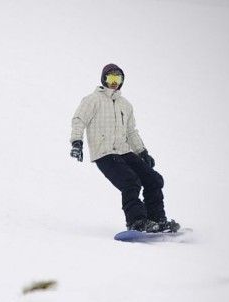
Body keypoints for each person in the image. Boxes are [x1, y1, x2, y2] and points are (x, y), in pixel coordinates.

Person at [69, 63, 180, 233]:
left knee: (153, 179)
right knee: (130, 181)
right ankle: (136, 222)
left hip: (125, 151)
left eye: (118, 78)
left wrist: (142, 152)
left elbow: (131, 132)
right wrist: (77, 142)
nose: (114, 82)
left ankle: (157, 219)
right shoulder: (92, 100)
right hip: (105, 153)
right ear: (103, 79)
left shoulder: (125, 105)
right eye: (110, 78)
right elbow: (78, 120)